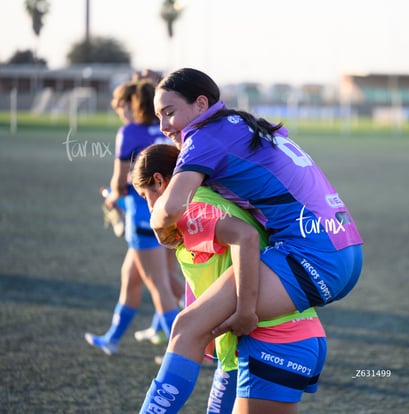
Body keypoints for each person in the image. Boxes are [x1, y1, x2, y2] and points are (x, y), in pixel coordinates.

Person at [137, 68, 364, 412]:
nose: (164, 126)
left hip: (313, 256)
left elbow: (168, 209)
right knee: (208, 328)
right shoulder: (238, 125)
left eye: (169, 113)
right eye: (158, 116)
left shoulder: (204, 137)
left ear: (201, 104)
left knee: (188, 326)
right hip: (344, 247)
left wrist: (158, 225)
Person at [133, 143, 327, 413]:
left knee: (184, 327)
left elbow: (244, 236)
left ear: (159, 180)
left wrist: (244, 311)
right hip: (286, 336)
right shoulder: (215, 198)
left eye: (145, 196)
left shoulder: (191, 208)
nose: (149, 205)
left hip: (272, 339)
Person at [84, 79, 184, 355]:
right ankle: (112, 339)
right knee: (132, 278)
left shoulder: (129, 132)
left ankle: (183, 350)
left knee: (160, 286)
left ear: (132, 105)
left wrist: (111, 196)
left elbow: (119, 183)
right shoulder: (169, 128)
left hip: (143, 215)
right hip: (172, 210)